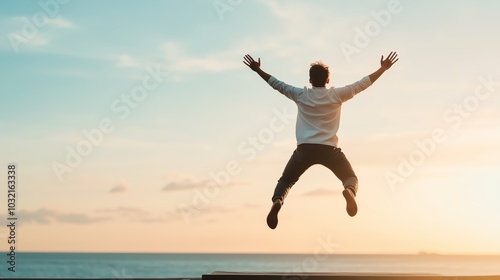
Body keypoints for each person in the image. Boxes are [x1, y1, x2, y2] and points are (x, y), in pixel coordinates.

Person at [243, 52, 399, 229]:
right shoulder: (337, 95)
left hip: (304, 150)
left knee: (286, 181)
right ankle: (349, 192)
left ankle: (278, 201)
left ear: (310, 80)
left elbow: (277, 85)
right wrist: (382, 69)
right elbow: (362, 84)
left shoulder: (301, 95)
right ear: (328, 80)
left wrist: (258, 70)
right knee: (350, 177)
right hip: (329, 150)